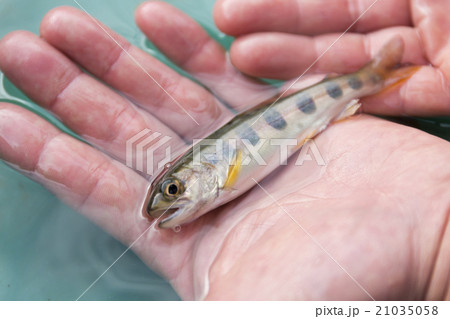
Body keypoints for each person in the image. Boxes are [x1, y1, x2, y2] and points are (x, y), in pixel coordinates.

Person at [0, 0, 448, 300]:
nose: (168, 202)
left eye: (174, 188)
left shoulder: (220, 177)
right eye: (172, 191)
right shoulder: (211, 184)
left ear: (196, 175)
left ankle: (375, 76)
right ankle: (375, 75)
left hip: (311, 107)